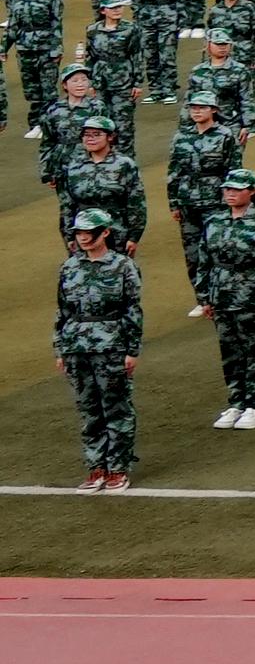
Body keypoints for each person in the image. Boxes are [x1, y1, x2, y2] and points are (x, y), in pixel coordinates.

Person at [54, 205, 142, 491]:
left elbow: (132, 310)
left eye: (89, 232)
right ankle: (96, 467)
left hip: (111, 344)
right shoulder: (69, 267)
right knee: (88, 407)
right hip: (77, 345)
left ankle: (118, 467)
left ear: (104, 233)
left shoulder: (123, 266)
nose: (83, 238)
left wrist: (132, 350)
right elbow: (62, 311)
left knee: (115, 406)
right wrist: (60, 349)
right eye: (79, 232)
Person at [187, 166, 255, 433]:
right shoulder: (215, 222)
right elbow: (204, 261)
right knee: (230, 352)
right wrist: (204, 297)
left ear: (251, 192)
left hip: (250, 295)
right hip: (221, 296)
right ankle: (237, 401)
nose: (230, 193)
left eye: (237, 189)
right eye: (228, 189)